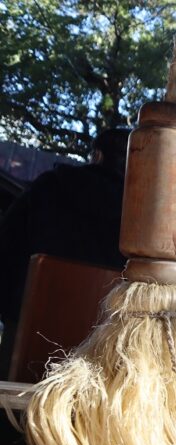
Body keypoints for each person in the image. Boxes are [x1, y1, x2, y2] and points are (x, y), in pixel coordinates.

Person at [0, 127, 131, 380]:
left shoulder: (48, 187)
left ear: (97, 155)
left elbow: (7, 246)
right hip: (104, 346)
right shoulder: (141, 210)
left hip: (27, 333)